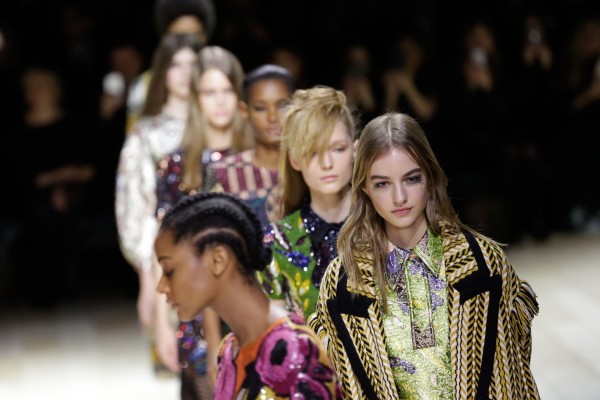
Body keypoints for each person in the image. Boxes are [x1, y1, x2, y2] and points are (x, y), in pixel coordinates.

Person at [308, 112, 540, 399]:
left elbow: (514, 373)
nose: (399, 198)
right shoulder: (344, 281)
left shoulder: (483, 263)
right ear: (364, 187)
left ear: (429, 177)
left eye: (411, 179)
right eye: (382, 183)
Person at [155, 192, 342, 399]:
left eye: (170, 271)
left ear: (218, 260)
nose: (161, 287)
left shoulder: (294, 351)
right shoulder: (229, 350)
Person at [155, 45, 253, 399]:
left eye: (227, 90)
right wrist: (161, 326)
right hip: (196, 314)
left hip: (254, 304)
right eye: (210, 92)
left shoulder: (260, 158)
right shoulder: (176, 166)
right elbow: (164, 252)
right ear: (196, 97)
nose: (220, 101)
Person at [114, 32, 202, 380]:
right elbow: (134, 207)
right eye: (175, 64)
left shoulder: (222, 125)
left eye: (193, 65)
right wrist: (146, 276)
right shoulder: (146, 135)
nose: (184, 73)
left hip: (223, 260)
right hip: (169, 262)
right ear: (162, 71)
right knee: (188, 369)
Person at [258, 86, 358, 322]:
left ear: (355, 149)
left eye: (338, 149)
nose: (327, 163)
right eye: (313, 152)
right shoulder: (278, 243)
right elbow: (277, 336)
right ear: (294, 159)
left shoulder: (383, 224)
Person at [203, 63, 295, 227]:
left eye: (282, 105)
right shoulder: (223, 173)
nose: (273, 117)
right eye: (260, 108)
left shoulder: (311, 169)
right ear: (244, 111)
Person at [126, 0, 216, 132]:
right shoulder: (144, 85)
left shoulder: (219, 81)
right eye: (178, 36)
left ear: (205, 36)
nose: (186, 43)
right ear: (164, 38)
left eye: (195, 35)